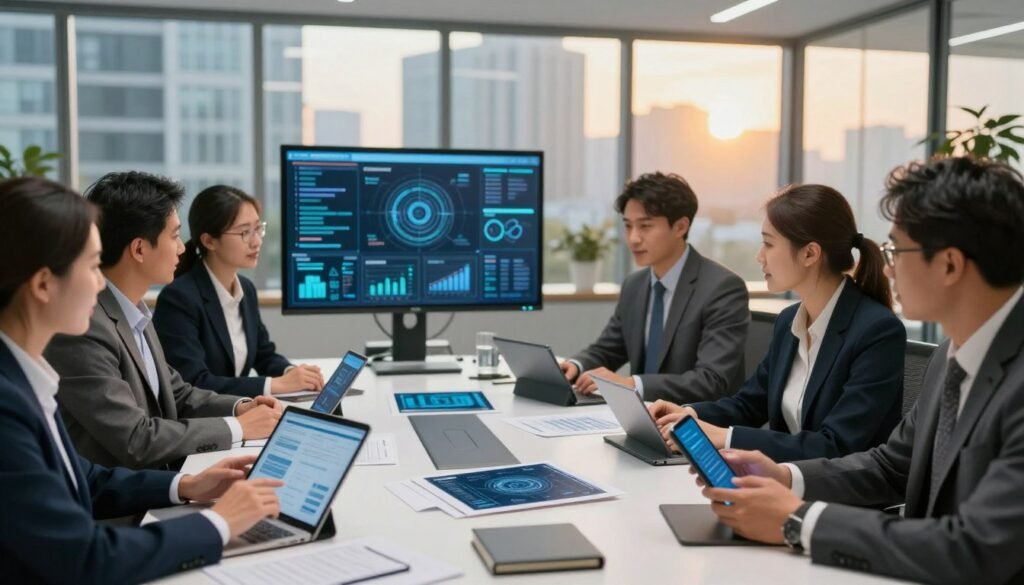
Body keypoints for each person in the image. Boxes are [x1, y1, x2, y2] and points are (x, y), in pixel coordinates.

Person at [694, 157, 1024, 584]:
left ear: (949, 264)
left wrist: (799, 521)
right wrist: (786, 477)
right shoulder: (951, 356)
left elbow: (976, 549)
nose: (886, 267)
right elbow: (891, 467)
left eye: (896, 251)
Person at [0, 177, 283, 584]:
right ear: (44, 284)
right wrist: (219, 523)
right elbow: (85, 559)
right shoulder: (8, 403)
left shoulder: (26, 377)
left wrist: (187, 484)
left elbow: (84, 478)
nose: (101, 282)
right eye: (92, 266)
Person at [647, 184, 905, 462]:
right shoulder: (789, 321)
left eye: (768, 244)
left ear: (810, 254)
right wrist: (690, 414)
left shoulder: (877, 331)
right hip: (781, 478)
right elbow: (749, 404)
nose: (759, 256)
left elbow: (836, 445)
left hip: (834, 485)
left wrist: (726, 437)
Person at [45, 172, 282, 470]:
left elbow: (177, 393)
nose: (182, 248)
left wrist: (240, 408)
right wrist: (239, 428)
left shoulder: (135, 311)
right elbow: (136, 439)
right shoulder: (84, 328)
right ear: (139, 249)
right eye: (174, 236)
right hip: (124, 494)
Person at [560, 172, 750, 404]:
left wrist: (632, 385)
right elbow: (609, 349)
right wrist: (576, 365)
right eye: (628, 226)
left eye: (645, 226)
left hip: (693, 419)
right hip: (640, 416)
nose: (633, 238)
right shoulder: (634, 285)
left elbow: (711, 380)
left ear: (680, 227)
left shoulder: (721, 288)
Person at [153, 185, 324, 398]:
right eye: (245, 232)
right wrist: (275, 385)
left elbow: (263, 354)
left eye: (258, 228)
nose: (257, 241)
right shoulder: (179, 299)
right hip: (204, 416)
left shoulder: (246, 289)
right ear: (209, 241)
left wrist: (292, 373)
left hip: (240, 411)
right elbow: (194, 382)